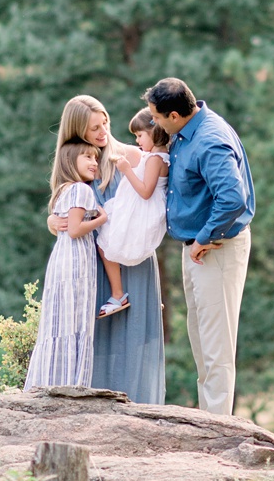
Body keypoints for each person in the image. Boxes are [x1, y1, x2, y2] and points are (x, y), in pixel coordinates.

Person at [145, 77, 254, 417]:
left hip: (216, 248)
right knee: (201, 339)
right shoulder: (187, 129)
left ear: (175, 114)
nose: (154, 124)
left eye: (157, 117)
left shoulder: (209, 140)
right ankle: (208, 418)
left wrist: (205, 237)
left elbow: (233, 199)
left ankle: (220, 427)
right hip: (197, 249)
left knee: (216, 344)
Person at [47, 95, 166, 404]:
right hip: (93, 263)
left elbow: (155, 199)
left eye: (104, 124)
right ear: (76, 133)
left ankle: (142, 411)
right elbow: (62, 207)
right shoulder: (76, 163)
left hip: (134, 260)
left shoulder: (133, 156)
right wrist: (52, 221)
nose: (101, 134)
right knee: (98, 340)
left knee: (137, 338)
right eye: (92, 129)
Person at [24, 141, 107, 389]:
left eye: (95, 158)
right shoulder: (82, 190)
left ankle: (48, 381)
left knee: (59, 321)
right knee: (75, 321)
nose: (94, 163)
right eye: (87, 158)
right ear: (71, 162)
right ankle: (71, 385)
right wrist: (101, 218)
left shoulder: (63, 190)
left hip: (61, 258)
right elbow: (75, 230)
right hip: (76, 260)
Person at [98, 108, 170, 273]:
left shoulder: (155, 159)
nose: (137, 141)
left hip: (142, 208)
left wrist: (126, 169)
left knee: (109, 237)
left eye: (139, 135)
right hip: (140, 204)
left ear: (153, 132)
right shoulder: (157, 156)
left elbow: (145, 192)